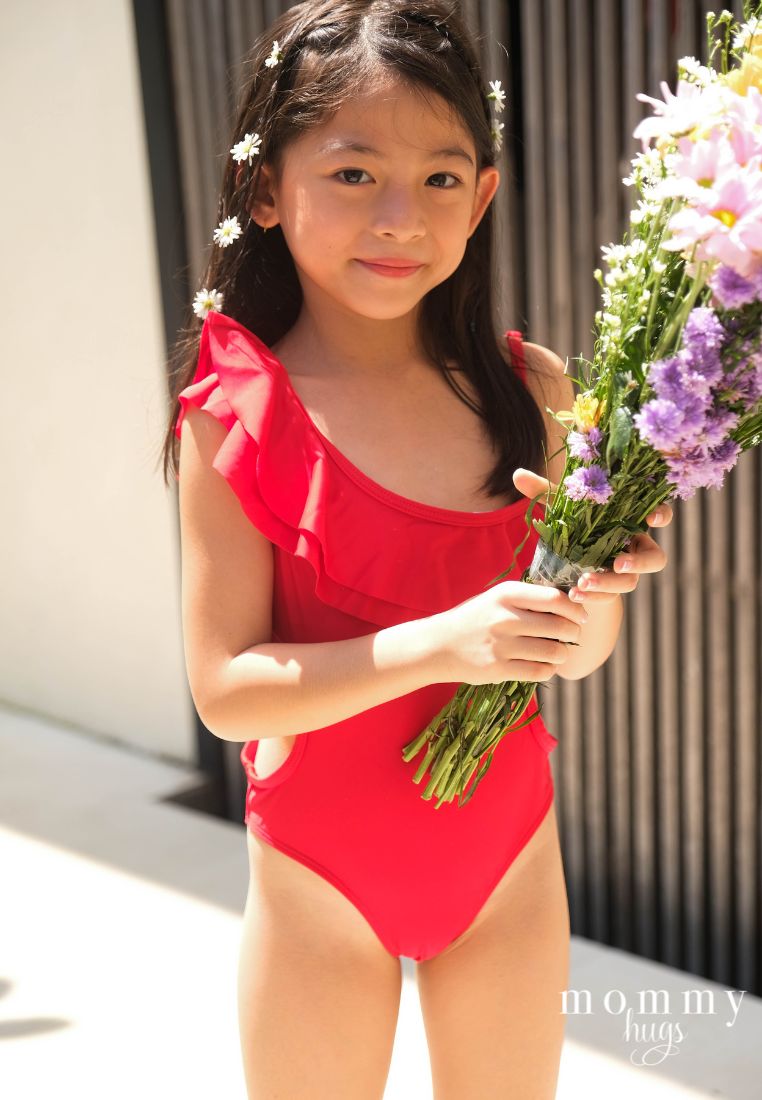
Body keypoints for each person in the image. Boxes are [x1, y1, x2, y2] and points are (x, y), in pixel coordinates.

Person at [160, 2, 672, 1096]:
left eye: (441, 178)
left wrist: (597, 599)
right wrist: (447, 643)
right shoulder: (237, 413)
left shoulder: (530, 392)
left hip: (508, 869)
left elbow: (571, 657)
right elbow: (225, 689)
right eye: (353, 175)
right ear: (266, 188)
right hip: (316, 889)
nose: (401, 216)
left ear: (483, 196)